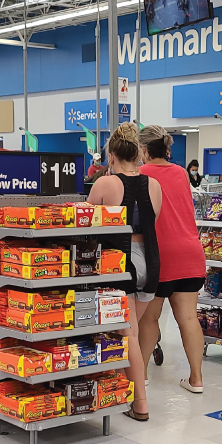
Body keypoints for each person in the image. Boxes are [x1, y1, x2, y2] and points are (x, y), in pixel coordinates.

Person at [87, 123, 162, 421]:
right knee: (129, 331)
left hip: (121, 263)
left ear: (113, 155)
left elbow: (83, 221)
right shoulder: (154, 185)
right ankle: (123, 388)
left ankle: (140, 402)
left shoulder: (106, 184)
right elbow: (154, 219)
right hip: (152, 262)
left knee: (127, 334)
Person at [137, 125, 207, 394]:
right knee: (188, 319)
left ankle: (140, 375)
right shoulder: (180, 173)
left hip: (157, 254)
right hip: (190, 252)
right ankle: (196, 379)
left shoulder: (141, 174)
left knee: (148, 319)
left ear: (143, 149)